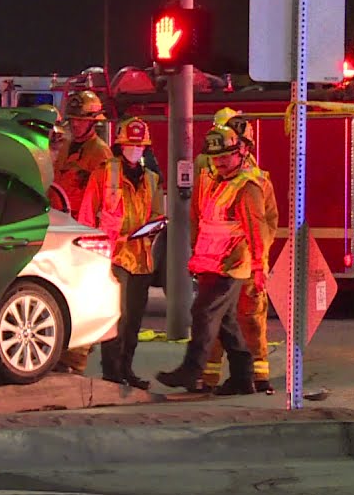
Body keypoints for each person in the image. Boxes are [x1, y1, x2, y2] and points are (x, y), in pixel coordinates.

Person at [157, 125, 269, 394]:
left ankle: (191, 370)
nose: (220, 161)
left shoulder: (246, 187)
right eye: (215, 157)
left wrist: (258, 267)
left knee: (203, 312)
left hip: (232, 265)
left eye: (225, 156)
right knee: (227, 323)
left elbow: (257, 230)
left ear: (240, 153)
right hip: (213, 263)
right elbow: (205, 223)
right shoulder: (214, 182)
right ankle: (243, 377)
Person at [77, 118, 163, 390]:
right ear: (120, 145)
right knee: (117, 314)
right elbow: (88, 215)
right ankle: (112, 371)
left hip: (141, 256)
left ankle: (127, 369)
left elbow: (157, 213)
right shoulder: (104, 173)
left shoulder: (151, 178)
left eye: (140, 147)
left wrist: (155, 226)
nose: (136, 151)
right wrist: (88, 252)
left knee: (134, 318)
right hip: (113, 255)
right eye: (131, 145)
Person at [202, 115, 280, 394]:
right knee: (218, 320)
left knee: (250, 317)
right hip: (217, 262)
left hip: (244, 262)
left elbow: (266, 224)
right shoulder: (213, 178)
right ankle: (209, 377)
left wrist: (255, 259)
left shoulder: (255, 182)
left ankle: (258, 377)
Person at [53, 90, 113, 374]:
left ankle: (76, 361)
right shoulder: (66, 147)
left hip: (83, 232)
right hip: (61, 229)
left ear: (93, 122)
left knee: (82, 294)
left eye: (80, 120)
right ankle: (63, 355)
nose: (75, 125)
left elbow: (103, 199)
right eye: (72, 120)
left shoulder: (100, 153)